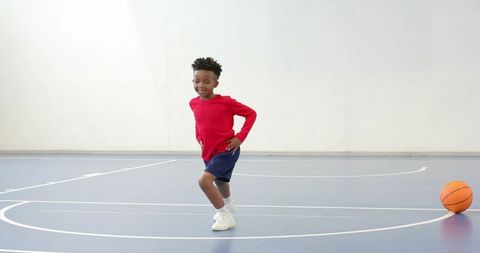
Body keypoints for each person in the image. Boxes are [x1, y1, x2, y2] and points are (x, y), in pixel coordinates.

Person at [189, 57, 257, 231]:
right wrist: (199, 139)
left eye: (206, 81)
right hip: (209, 151)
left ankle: (225, 215)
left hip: (227, 150)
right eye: (197, 81)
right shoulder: (193, 103)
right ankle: (228, 205)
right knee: (221, 182)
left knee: (204, 181)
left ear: (216, 84)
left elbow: (251, 114)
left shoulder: (226, 102)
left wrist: (240, 137)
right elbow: (199, 123)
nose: (201, 85)